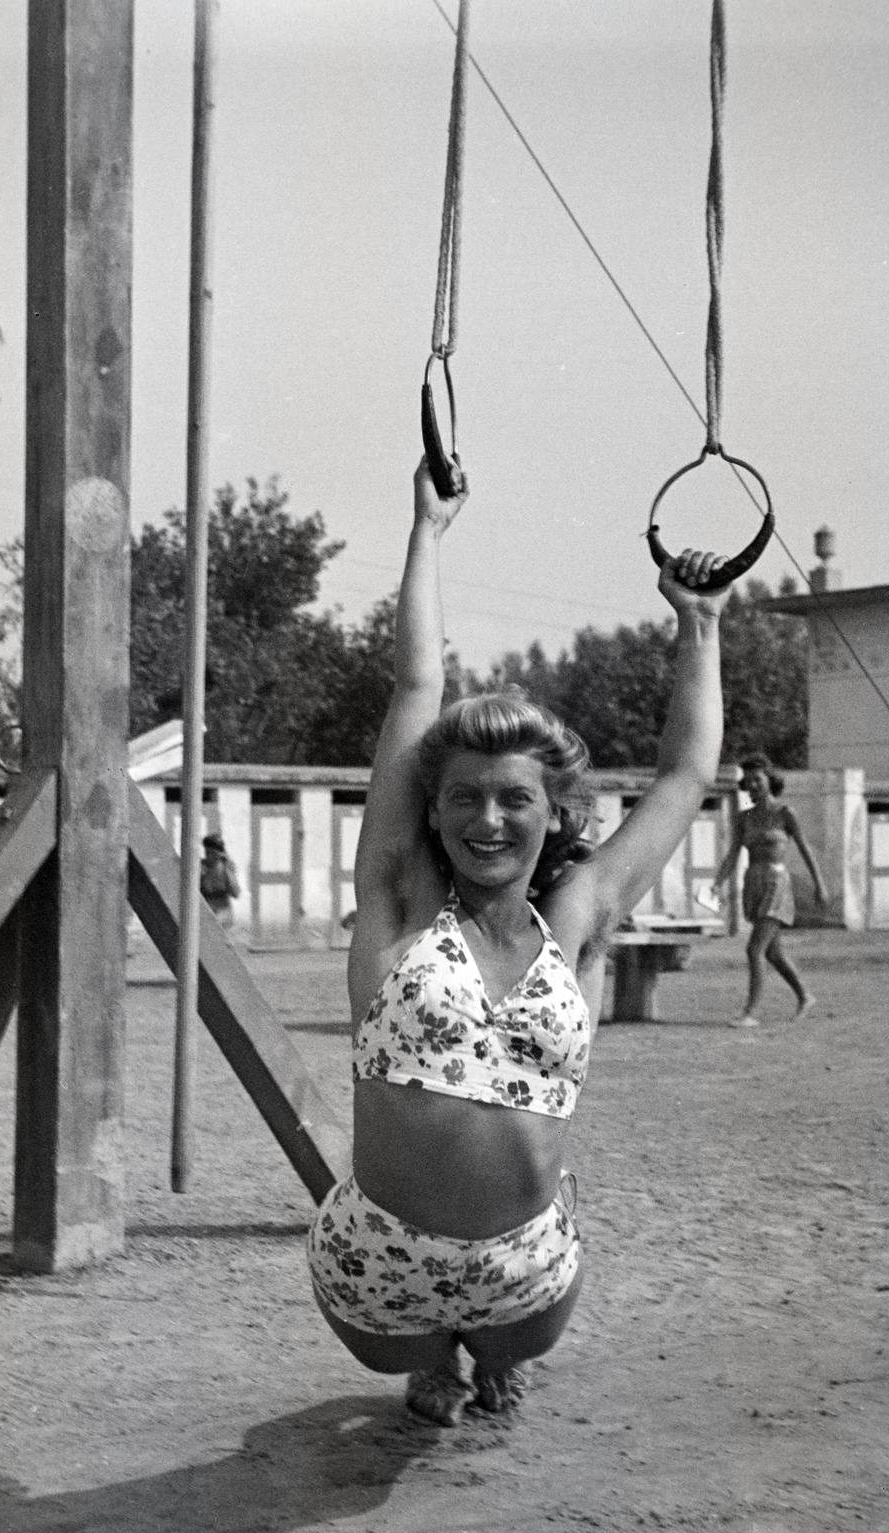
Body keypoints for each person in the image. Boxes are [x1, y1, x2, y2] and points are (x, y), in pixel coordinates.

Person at [306, 457, 732, 1426]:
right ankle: (426, 1364)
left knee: (510, 1346)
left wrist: (697, 623)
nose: (486, 819)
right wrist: (427, 529)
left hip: (521, 1270)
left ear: (552, 812)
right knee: (405, 1357)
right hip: (380, 1264)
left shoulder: (576, 920)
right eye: (463, 795)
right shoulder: (401, 901)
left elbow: (683, 773)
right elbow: (416, 682)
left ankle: (489, 1355)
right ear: (434, 805)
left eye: (513, 798)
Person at [710, 753, 827, 1026]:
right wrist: (717, 883)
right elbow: (733, 854)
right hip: (753, 883)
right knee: (773, 953)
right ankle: (805, 995)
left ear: (769, 780)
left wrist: (819, 885)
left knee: (754, 950)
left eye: (758, 779)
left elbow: (805, 849)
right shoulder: (743, 818)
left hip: (777, 885)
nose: (753, 785)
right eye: (748, 781)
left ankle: (750, 1012)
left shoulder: (785, 813)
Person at [200, 832, 240, 928]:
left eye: (213, 853)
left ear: (219, 854)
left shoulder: (227, 867)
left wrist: (226, 868)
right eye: (207, 853)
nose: (209, 857)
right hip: (205, 913)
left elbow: (236, 893)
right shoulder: (201, 866)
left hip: (223, 913)